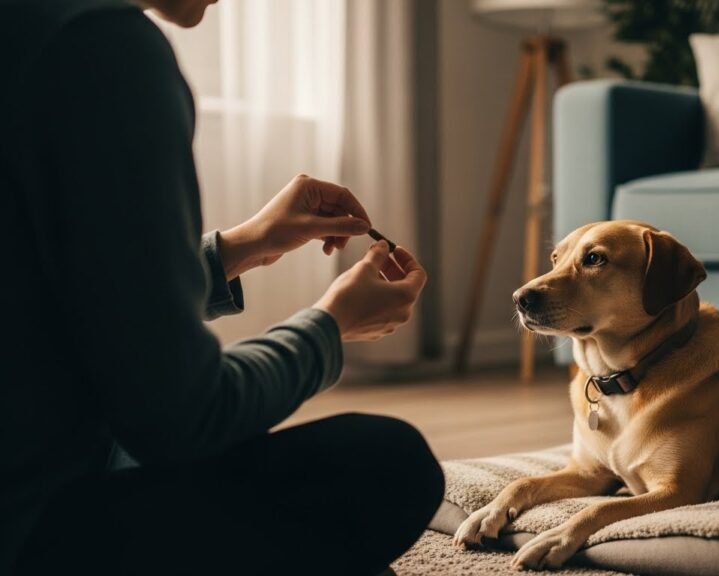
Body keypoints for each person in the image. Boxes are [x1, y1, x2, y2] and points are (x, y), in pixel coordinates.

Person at [0, 0, 444, 574]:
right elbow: (180, 419)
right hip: (32, 530)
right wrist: (330, 328)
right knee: (389, 464)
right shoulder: (100, 46)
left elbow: (57, 300)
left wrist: (244, 245)